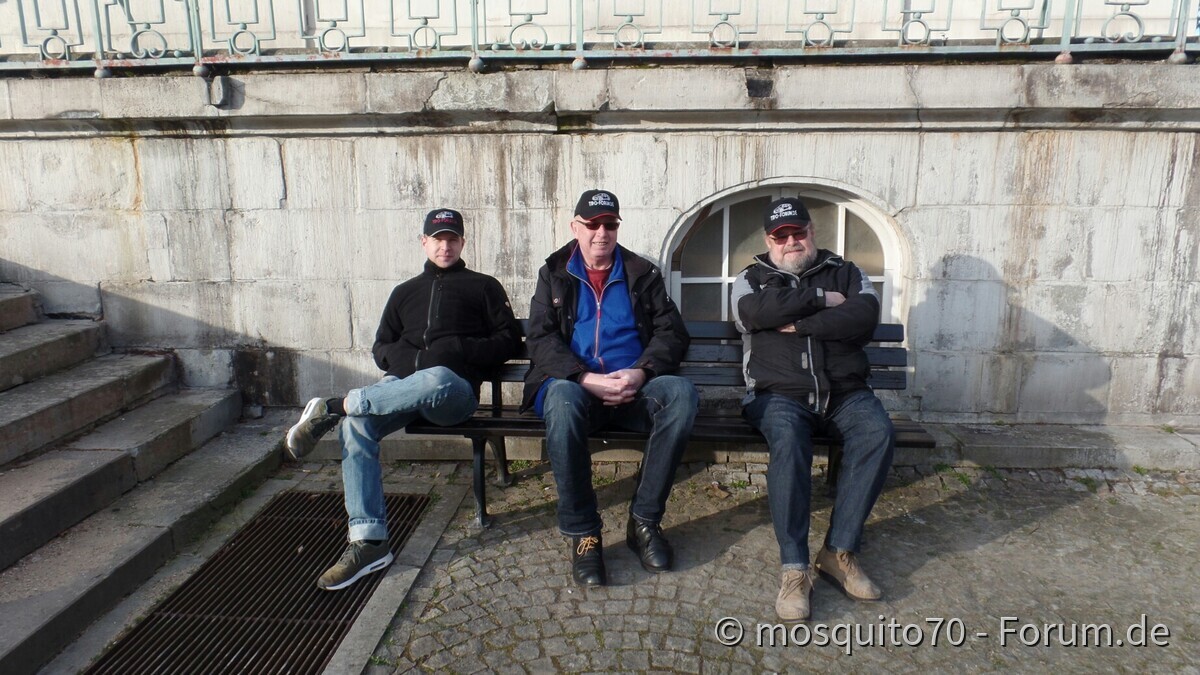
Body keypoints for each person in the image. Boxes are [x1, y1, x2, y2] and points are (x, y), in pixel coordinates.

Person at [284, 208, 522, 591]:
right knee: (357, 426)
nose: (445, 245)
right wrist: (412, 362)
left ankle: (334, 406)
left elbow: (508, 341)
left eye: (452, 238)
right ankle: (370, 542)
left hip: (453, 394)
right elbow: (381, 348)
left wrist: (457, 349)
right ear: (424, 242)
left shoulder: (484, 286)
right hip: (400, 392)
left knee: (437, 375)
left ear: (462, 242)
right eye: (437, 239)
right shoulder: (404, 292)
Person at [522, 189, 699, 587]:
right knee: (562, 399)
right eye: (592, 224)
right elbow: (540, 339)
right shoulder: (554, 272)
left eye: (610, 224)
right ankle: (584, 531)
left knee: (681, 395)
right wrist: (584, 378)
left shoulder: (641, 273)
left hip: (633, 388)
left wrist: (640, 372)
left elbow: (672, 333)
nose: (601, 233)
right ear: (575, 227)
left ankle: (645, 522)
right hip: (577, 389)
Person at [731, 197, 895, 621]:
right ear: (769, 239)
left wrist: (801, 324)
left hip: (844, 392)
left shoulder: (849, 271)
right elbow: (752, 313)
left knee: (876, 432)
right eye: (780, 235)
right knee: (787, 439)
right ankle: (794, 567)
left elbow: (864, 317)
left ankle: (838, 551)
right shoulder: (750, 277)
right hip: (776, 393)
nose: (790, 241)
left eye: (797, 232)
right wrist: (822, 299)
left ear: (811, 232)